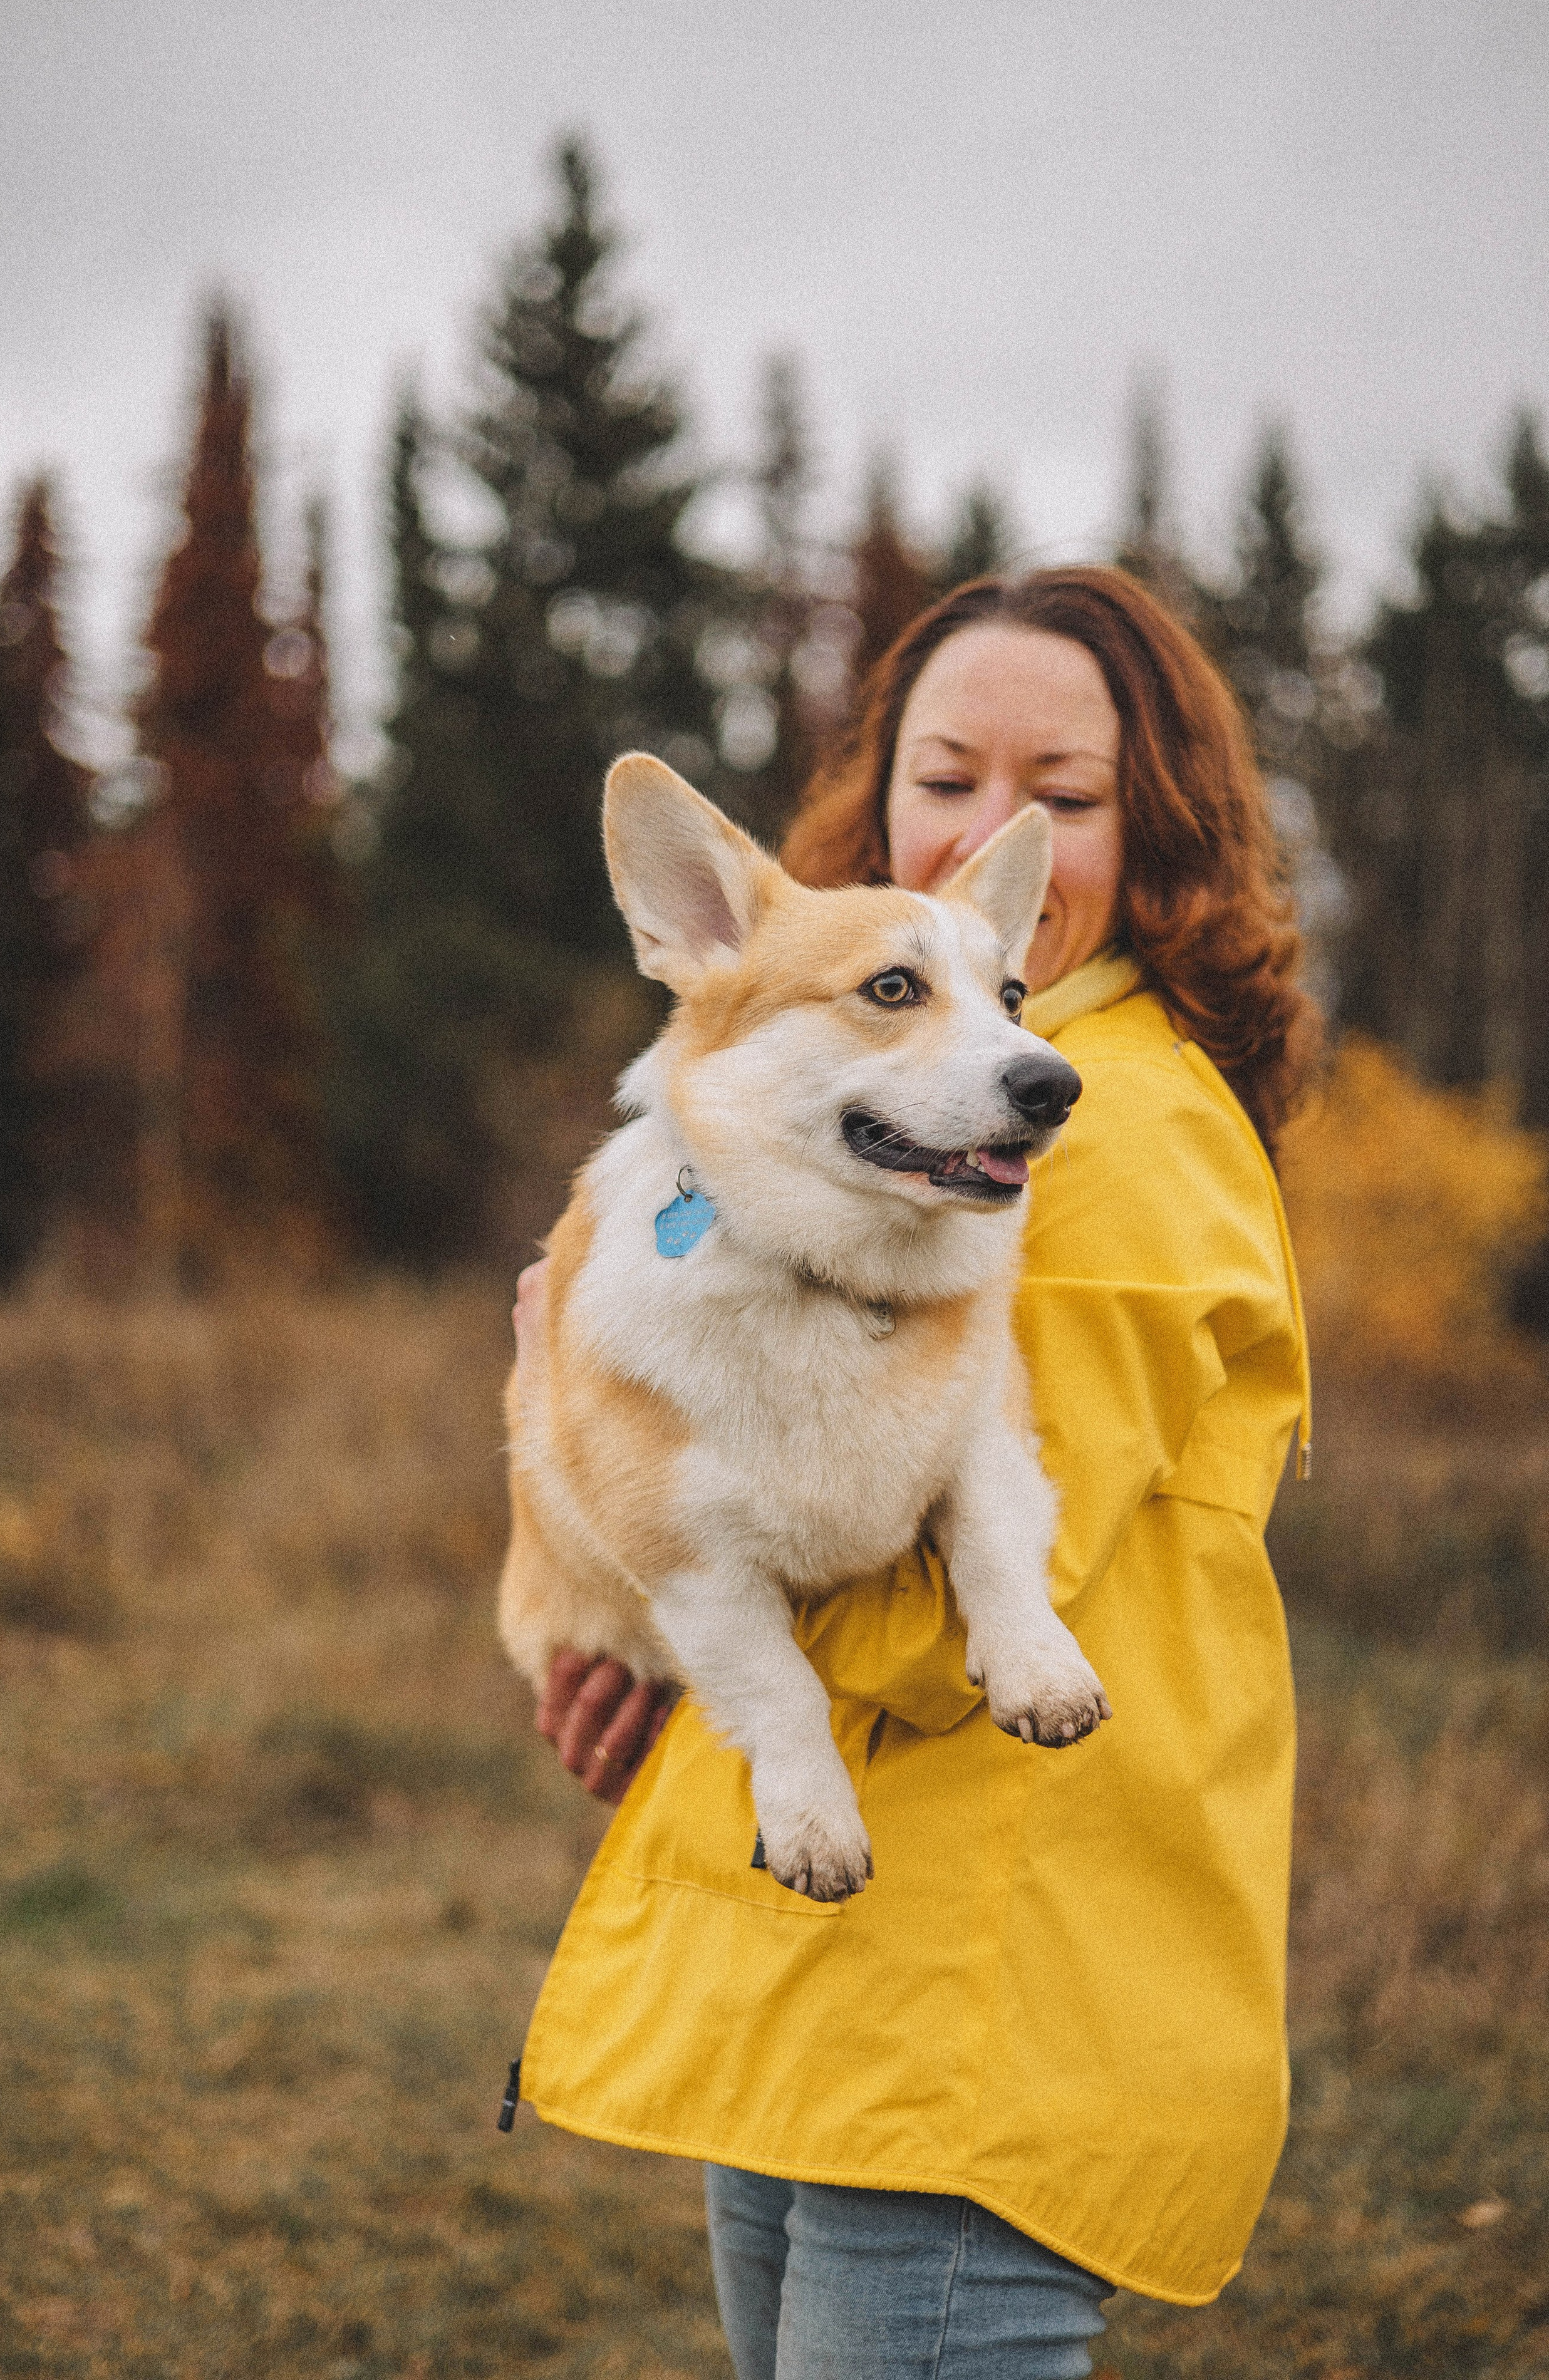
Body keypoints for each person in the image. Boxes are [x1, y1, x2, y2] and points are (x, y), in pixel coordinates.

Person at [509, 567, 1318, 2379]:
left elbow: (922, 1630)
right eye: (944, 776)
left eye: (1064, 796)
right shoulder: (867, 1094)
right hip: (846, 1990)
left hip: (986, 2012)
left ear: (1161, 825)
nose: (989, 831)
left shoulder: (1081, 1139)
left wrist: (660, 1594)